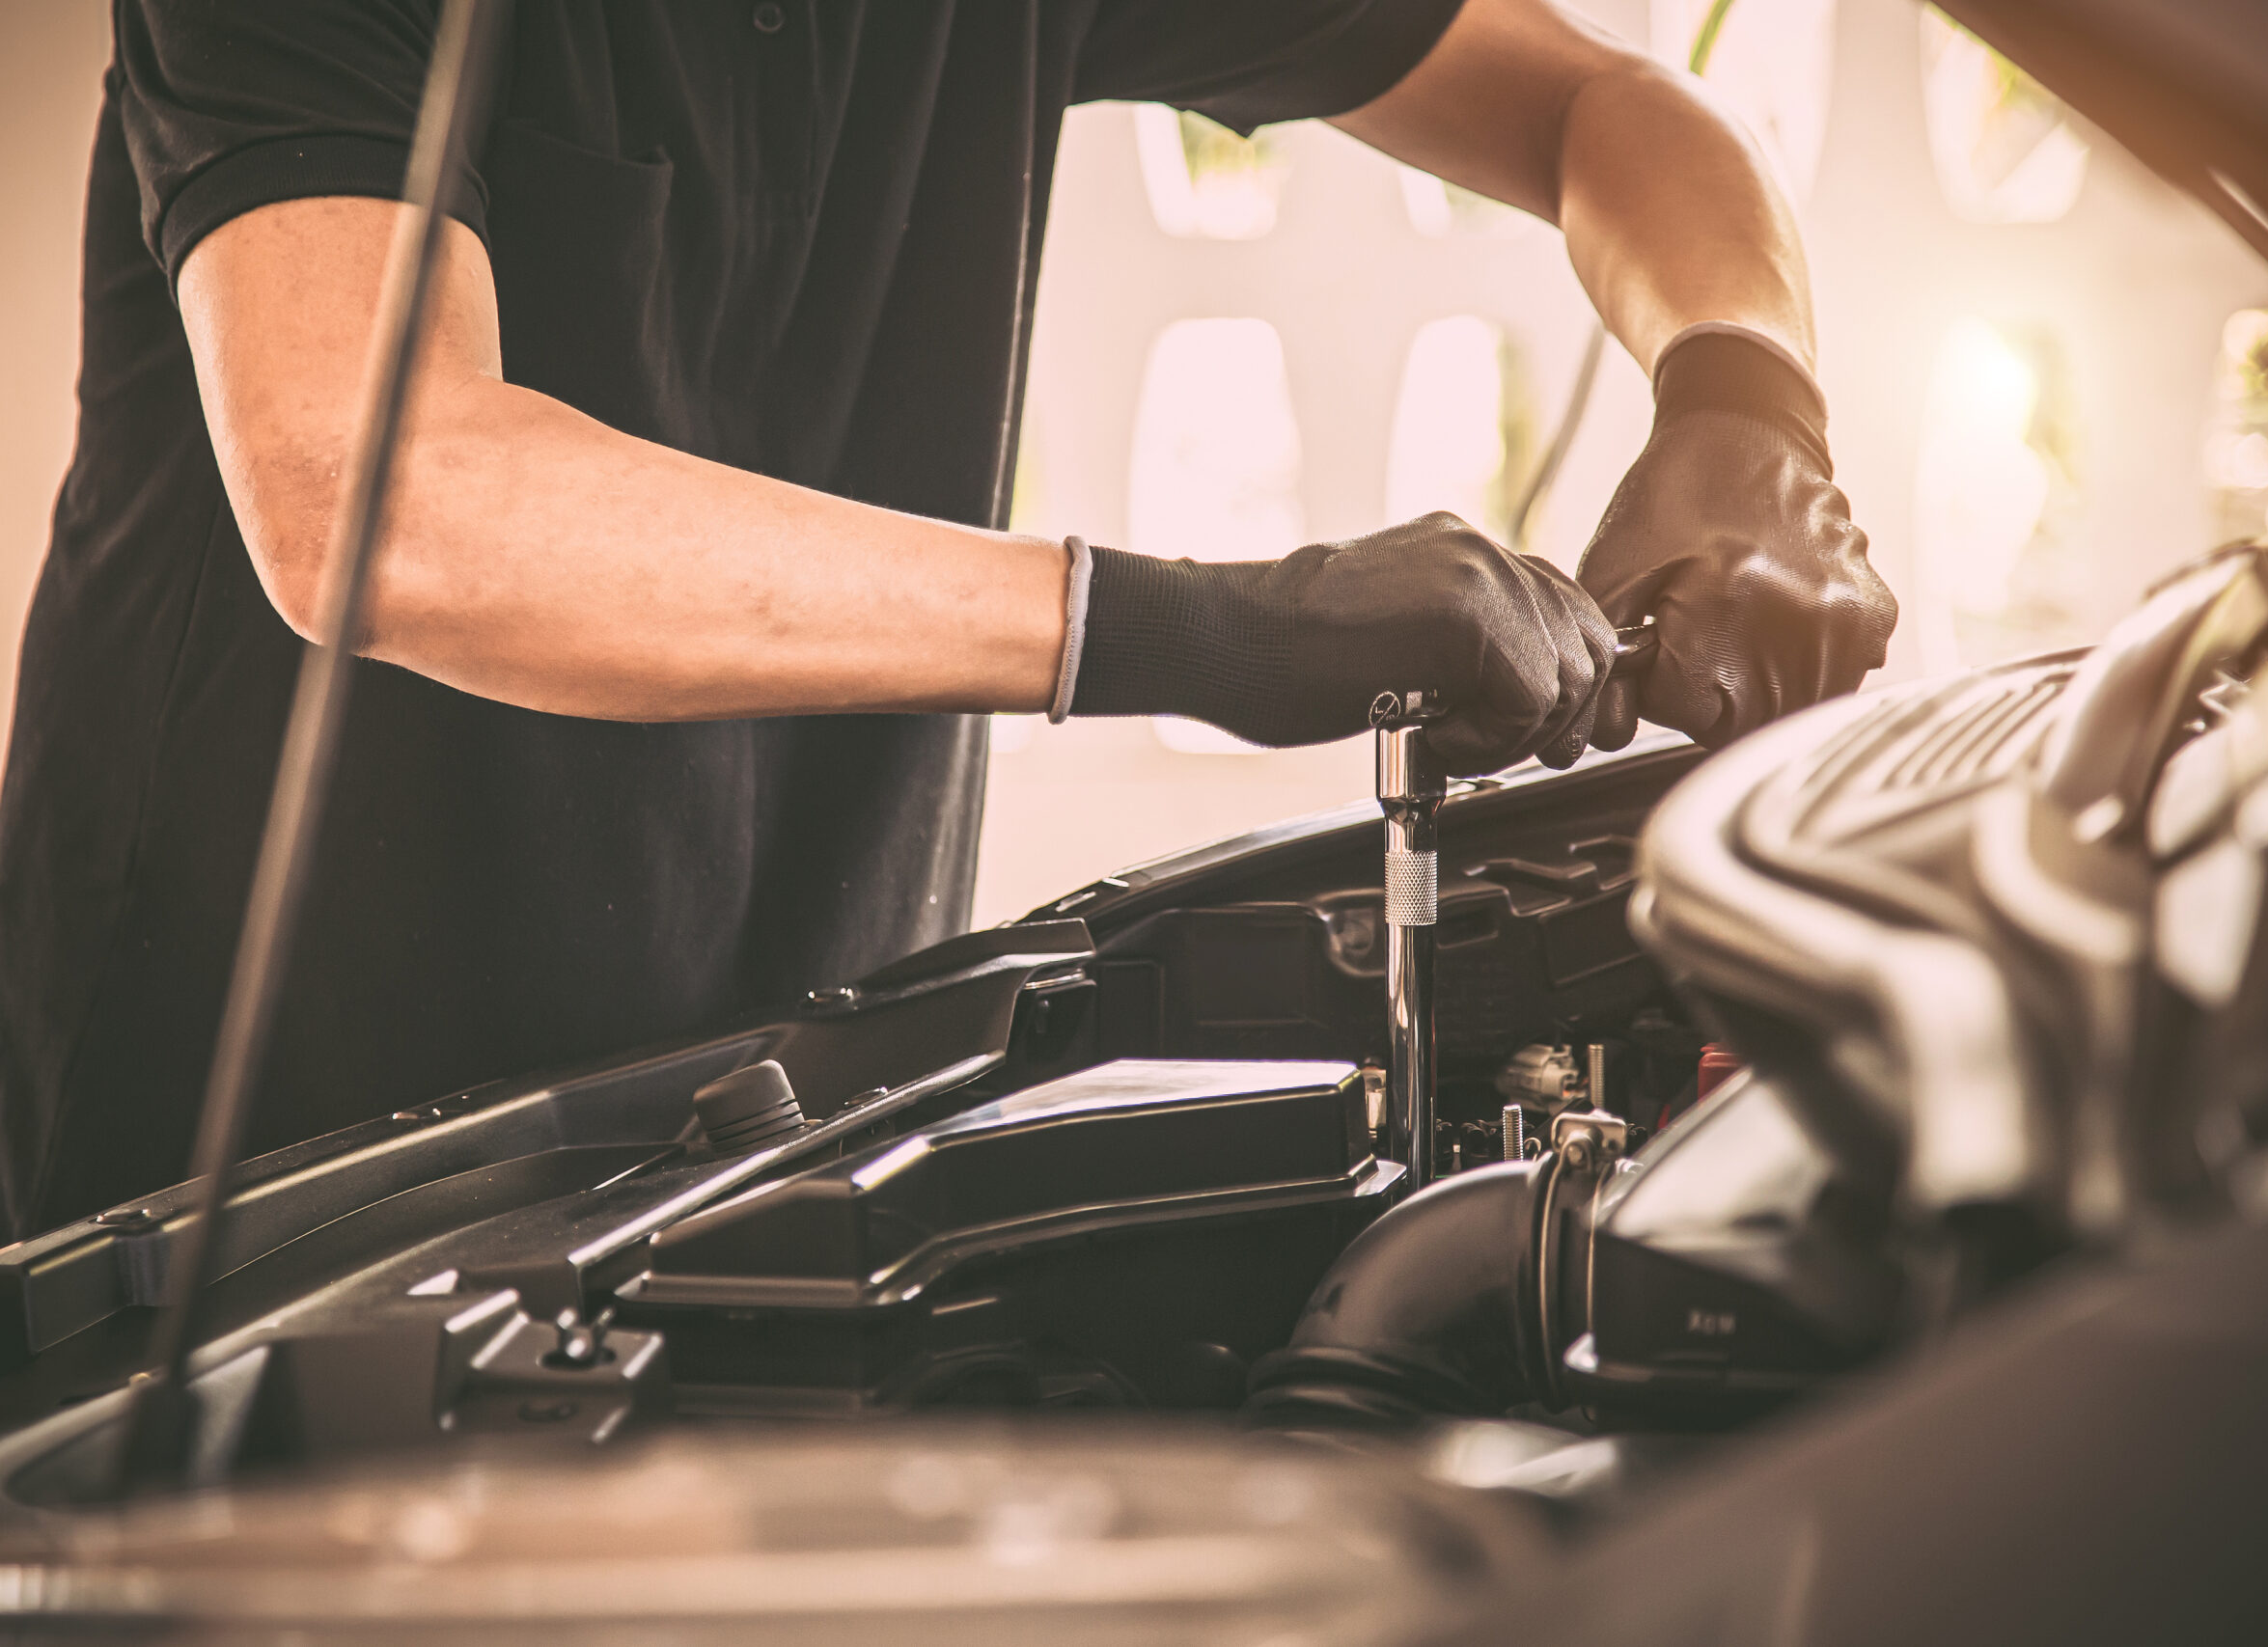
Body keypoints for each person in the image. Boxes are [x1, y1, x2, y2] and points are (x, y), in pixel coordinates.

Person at [0, 0, 1894, 1234]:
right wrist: (1194, 628)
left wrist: (1743, 398)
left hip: (757, 1129)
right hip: (244, 1197)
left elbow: (1593, 103)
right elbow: (389, 502)